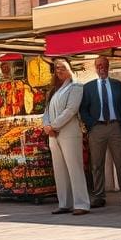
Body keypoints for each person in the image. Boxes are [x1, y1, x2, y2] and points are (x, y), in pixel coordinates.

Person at [78, 55, 121, 208]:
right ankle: (99, 196)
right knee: (97, 164)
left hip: (115, 127)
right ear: (95, 68)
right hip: (97, 128)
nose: (101, 68)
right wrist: (91, 124)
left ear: (108, 67)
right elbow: (83, 109)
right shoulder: (88, 87)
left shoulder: (118, 85)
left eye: (104, 65)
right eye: (98, 66)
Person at [41, 57, 90, 215]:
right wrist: (47, 126)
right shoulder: (54, 90)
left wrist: (53, 126)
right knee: (59, 169)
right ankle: (64, 203)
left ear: (70, 67)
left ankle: (81, 204)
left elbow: (71, 110)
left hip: (68, 132)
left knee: (74, 168)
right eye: (56, 68)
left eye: (62, 67)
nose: (59, 70)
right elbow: (46, 111)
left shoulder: (76, 86)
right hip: (53, 135)